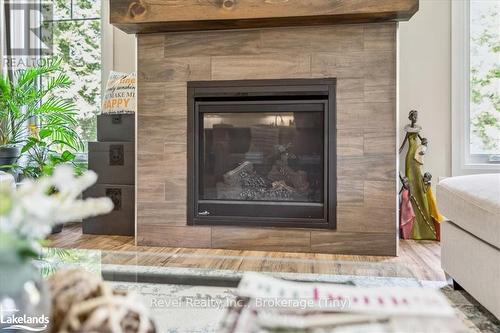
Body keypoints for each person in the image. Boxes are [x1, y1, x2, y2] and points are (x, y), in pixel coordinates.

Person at [399, 110, 437, 240]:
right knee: (410, 182)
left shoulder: (418, 129)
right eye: (413, 116)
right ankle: (412, 225)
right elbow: (404, 144)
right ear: (410, 117)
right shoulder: (408, 130)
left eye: (416, 116)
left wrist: (425, 144)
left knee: (419, 181)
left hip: (416, 158)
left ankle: (423, 225)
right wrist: (396, 152)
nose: (415, 118)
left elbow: (423, 141)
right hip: (409, 157)